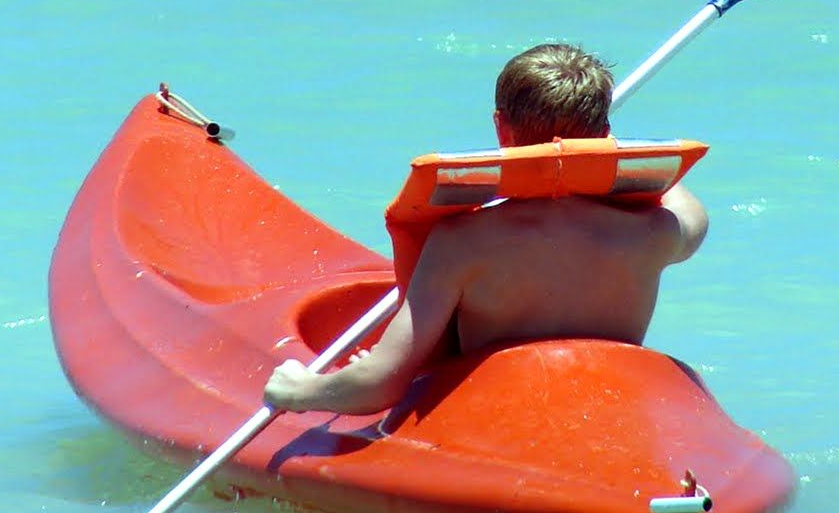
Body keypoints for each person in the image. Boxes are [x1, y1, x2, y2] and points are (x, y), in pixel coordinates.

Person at [263, 43, 709, 415]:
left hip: (498, 411)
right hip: (608, 405)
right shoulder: (653, 233)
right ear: (607, 132)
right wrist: (610, 160)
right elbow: (683, 201)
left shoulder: (463, 242)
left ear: (501, 127)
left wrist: (298, 390)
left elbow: (380, 385)